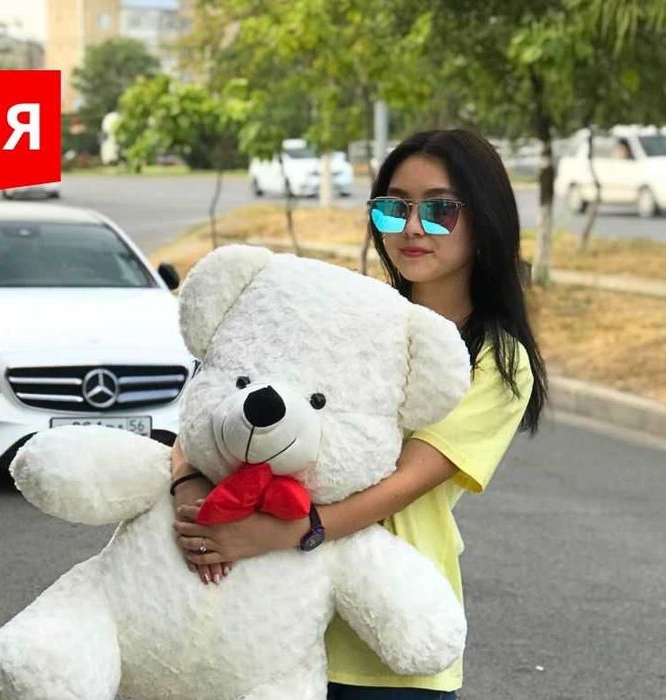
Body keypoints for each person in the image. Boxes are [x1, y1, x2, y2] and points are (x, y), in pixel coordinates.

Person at [169, 128, 548, 699]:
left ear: (485, 219)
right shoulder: (348, 316)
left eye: (440, 210)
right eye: (395, 208)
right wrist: (191, 492)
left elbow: (402, 484)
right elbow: (216, 412)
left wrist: (274, 535)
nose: (412, 228)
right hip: (270, 624)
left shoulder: (497, 358)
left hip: (385, 644)